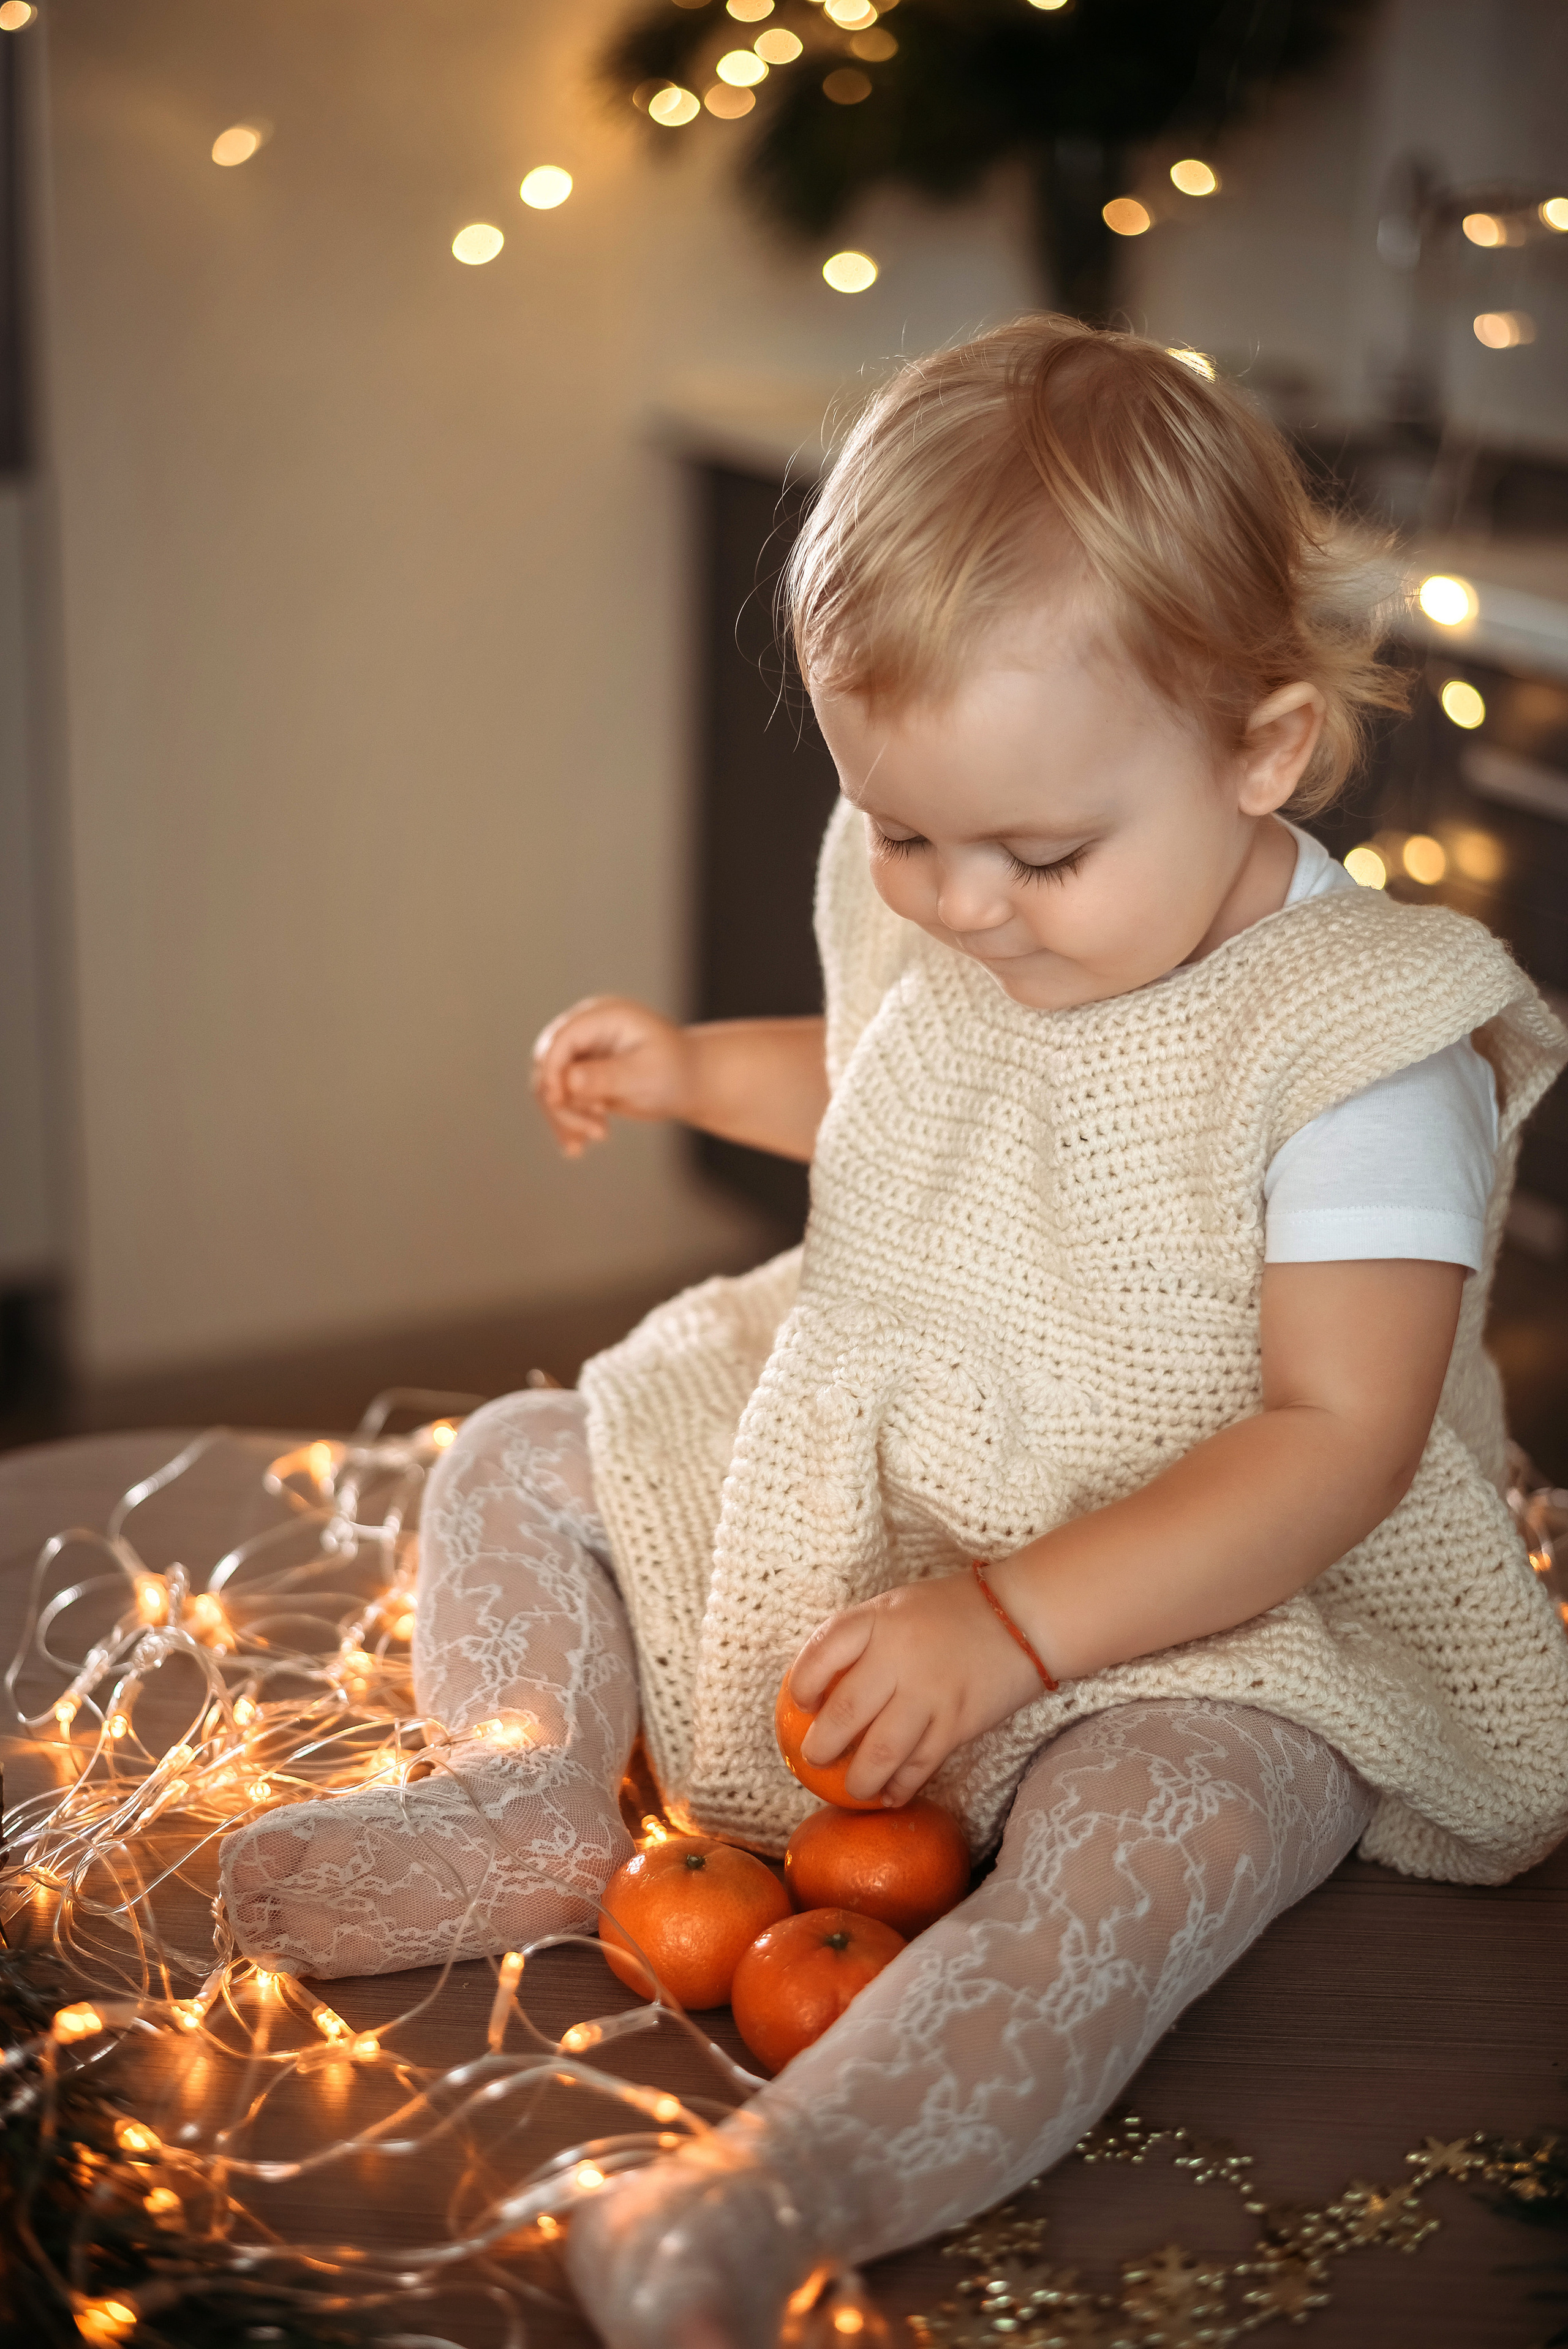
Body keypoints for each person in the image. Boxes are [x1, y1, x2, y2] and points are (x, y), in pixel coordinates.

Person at [221, 316, 1568, 2347]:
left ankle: (791, 2180)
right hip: (918, 1432)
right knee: (521, 1456)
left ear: (1263, 749)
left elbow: (1337, 1442)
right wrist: (695, 1067)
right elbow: (900, 1076)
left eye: (1039, 854)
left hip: (1226, 1592)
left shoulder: (1360, 1047)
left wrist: (1012, 1628)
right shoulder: (964, 883)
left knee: (1157, 1837)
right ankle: (525, 1794)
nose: (962, 903)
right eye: (905, 834)